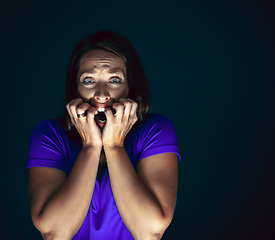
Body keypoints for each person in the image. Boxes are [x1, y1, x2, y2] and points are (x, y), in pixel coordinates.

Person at [26, 30, 180, 240]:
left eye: (114, 80)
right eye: (88, 80)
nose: (100, 95)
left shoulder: (155, 130)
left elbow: (149, 231)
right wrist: (90, 147)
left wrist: (114, 147)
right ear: (75, 89)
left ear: (130, 87)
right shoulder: (50, 135)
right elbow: (55, 232)